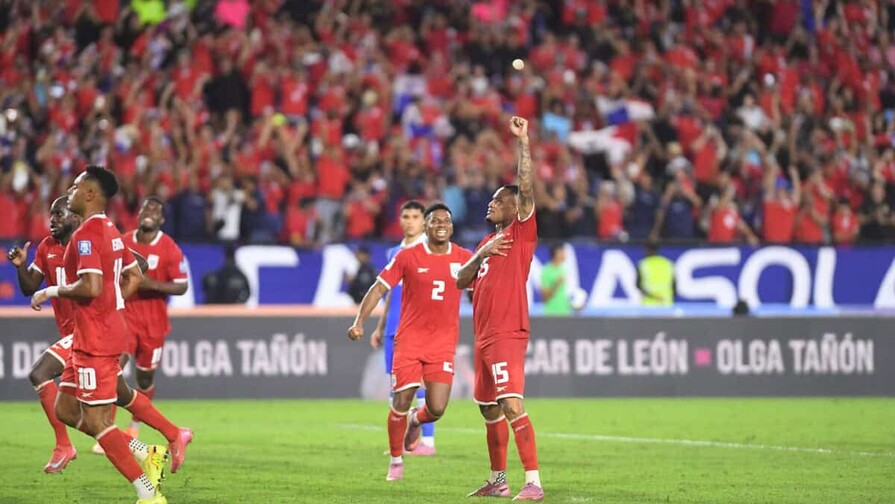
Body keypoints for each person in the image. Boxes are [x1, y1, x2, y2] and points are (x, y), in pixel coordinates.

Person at [30, 166, 190, 504]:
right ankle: (167, 438)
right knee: (67, 409)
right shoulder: (111, 230)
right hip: (99, 333)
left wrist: (51, 293)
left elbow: (90, 286)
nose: (69, 191)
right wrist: (112, 304)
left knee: (99, 421)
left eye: (75, 186)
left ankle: (148, 492)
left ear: (90, 194)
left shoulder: (88, 235)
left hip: (95, 339)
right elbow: (133, 274)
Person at [347, 203, 473, 482]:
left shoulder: (465, 258)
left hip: (442, 343)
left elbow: (482, 292)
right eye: (435, 220)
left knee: (437, 408)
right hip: (410, 341)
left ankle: (417, 420)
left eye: (446, 220)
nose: (441, 224)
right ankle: (395, 461)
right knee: (401, 399)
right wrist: (359, 321)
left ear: (451, 227)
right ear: (426, 227)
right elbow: (379, 288)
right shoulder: (408, 256)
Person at [456, 116, 544, 501]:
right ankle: (498, 479)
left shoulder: (521, 232)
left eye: (498, 199)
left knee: (510, 403)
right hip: (483, 337)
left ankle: (534, 483)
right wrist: (482, 254)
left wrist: (523, 142)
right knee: (488, 410)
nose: (491, 204)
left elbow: (526, 184)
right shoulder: (487, 244)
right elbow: (461, 280)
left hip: (508, 331)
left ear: (514, 206)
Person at [7, 196, 80, 472]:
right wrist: (20, 267)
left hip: (89, 329)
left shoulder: (84, 245)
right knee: (92, 414)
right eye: (51, 215)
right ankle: (166, 438)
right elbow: (29, 288)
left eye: (59, 214)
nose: (53, 220)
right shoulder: (46, 248)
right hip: (72, 332)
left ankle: (63, 445)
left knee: (39, 373)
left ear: (74, 218)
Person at [369, 200, 438, 455]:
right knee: (396, 386)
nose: (409, 221)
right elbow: (389, 293)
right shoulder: (392, 253)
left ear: (423, 221)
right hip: (393, 328)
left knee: (419, 385)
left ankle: (428, 443)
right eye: (405, 216)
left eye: (415, 216)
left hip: (417, 327)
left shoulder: (430, 251)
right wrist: (379, 326)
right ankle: (400, 444)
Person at [120, 197, 189, 439]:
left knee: (144, 378)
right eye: (145, 208)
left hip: (154, 323)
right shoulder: (124, 242)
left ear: (162, 219)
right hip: (125, 317)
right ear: (138, 215)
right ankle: (104, 425)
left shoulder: (169, 248)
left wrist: (149, 285)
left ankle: (134, 428)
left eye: (155, 211)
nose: (149, 213)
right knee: (115, 364)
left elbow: (181, 286)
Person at [636, 240, 675, 306]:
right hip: (666, 304)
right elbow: (674, 286)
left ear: (648, 250)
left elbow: (638, 285)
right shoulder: (668, 263)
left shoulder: (643, 264)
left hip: (649, 305)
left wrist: (653, 296)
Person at [539, 244, 571, 316]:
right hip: (551, 312)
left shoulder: (563, 269)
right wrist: (557, 284)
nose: (564, 254)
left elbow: (564, 294)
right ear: (556, 254)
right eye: (562, 252)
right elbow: (545, 297)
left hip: (564, 312)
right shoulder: (546, 271)